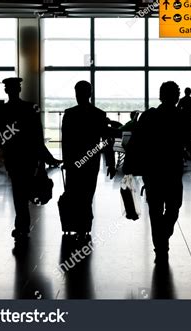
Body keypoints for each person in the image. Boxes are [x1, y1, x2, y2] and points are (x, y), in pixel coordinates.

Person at [123, 81, 191, 264]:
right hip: (172, 168)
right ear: (177, 97)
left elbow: (135, 143)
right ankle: (164, 236)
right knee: (174, 207)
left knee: (155, 209)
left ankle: (160, 246)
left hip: (153, 170)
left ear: (160, 96)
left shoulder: (149, 116)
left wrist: (129, 169)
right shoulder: (182, 117)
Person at [0, 77, 61, 240]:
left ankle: (22, 225)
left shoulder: (2, 110)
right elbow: (37, 136)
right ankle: (22, 224)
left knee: (18, 191)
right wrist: (48, 158)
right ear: (19, 89)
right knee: (25, 189)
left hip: (13, 156)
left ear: (6, 90)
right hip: (29, 157)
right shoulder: (29, 108)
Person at [61, 81, 116, 238]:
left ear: (76, 94)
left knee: (75, 193)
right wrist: (110, 164)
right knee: (87, 194)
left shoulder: (69, 114)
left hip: (73, 161)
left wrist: (66, 160)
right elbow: (106, 141)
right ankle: (84, 227)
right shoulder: (98, 114)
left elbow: (66, 141)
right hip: (91, 160)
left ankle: (79, 225)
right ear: (90, 94)